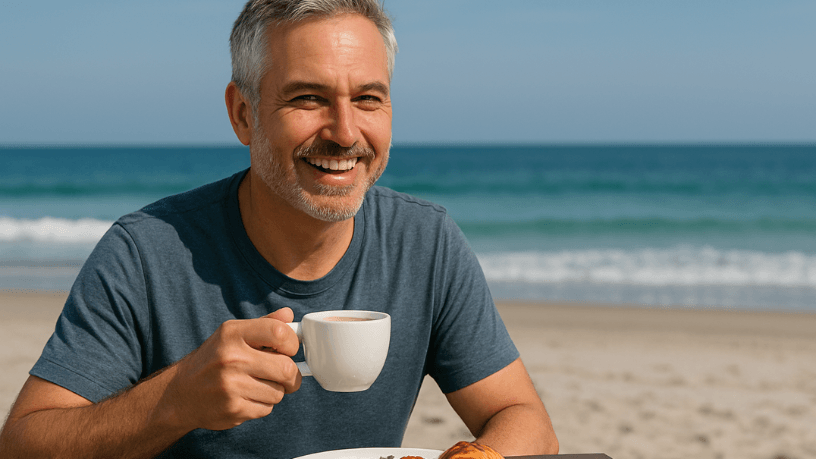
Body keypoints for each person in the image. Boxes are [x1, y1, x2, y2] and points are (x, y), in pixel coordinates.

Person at [0, 1, 558, 457]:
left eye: (367, 99)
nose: (345, 133)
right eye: (308, 98)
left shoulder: (425, 242)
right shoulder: (146, 252)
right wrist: (173, 400)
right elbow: (23, 444)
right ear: (243, 114)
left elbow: (523, 419)